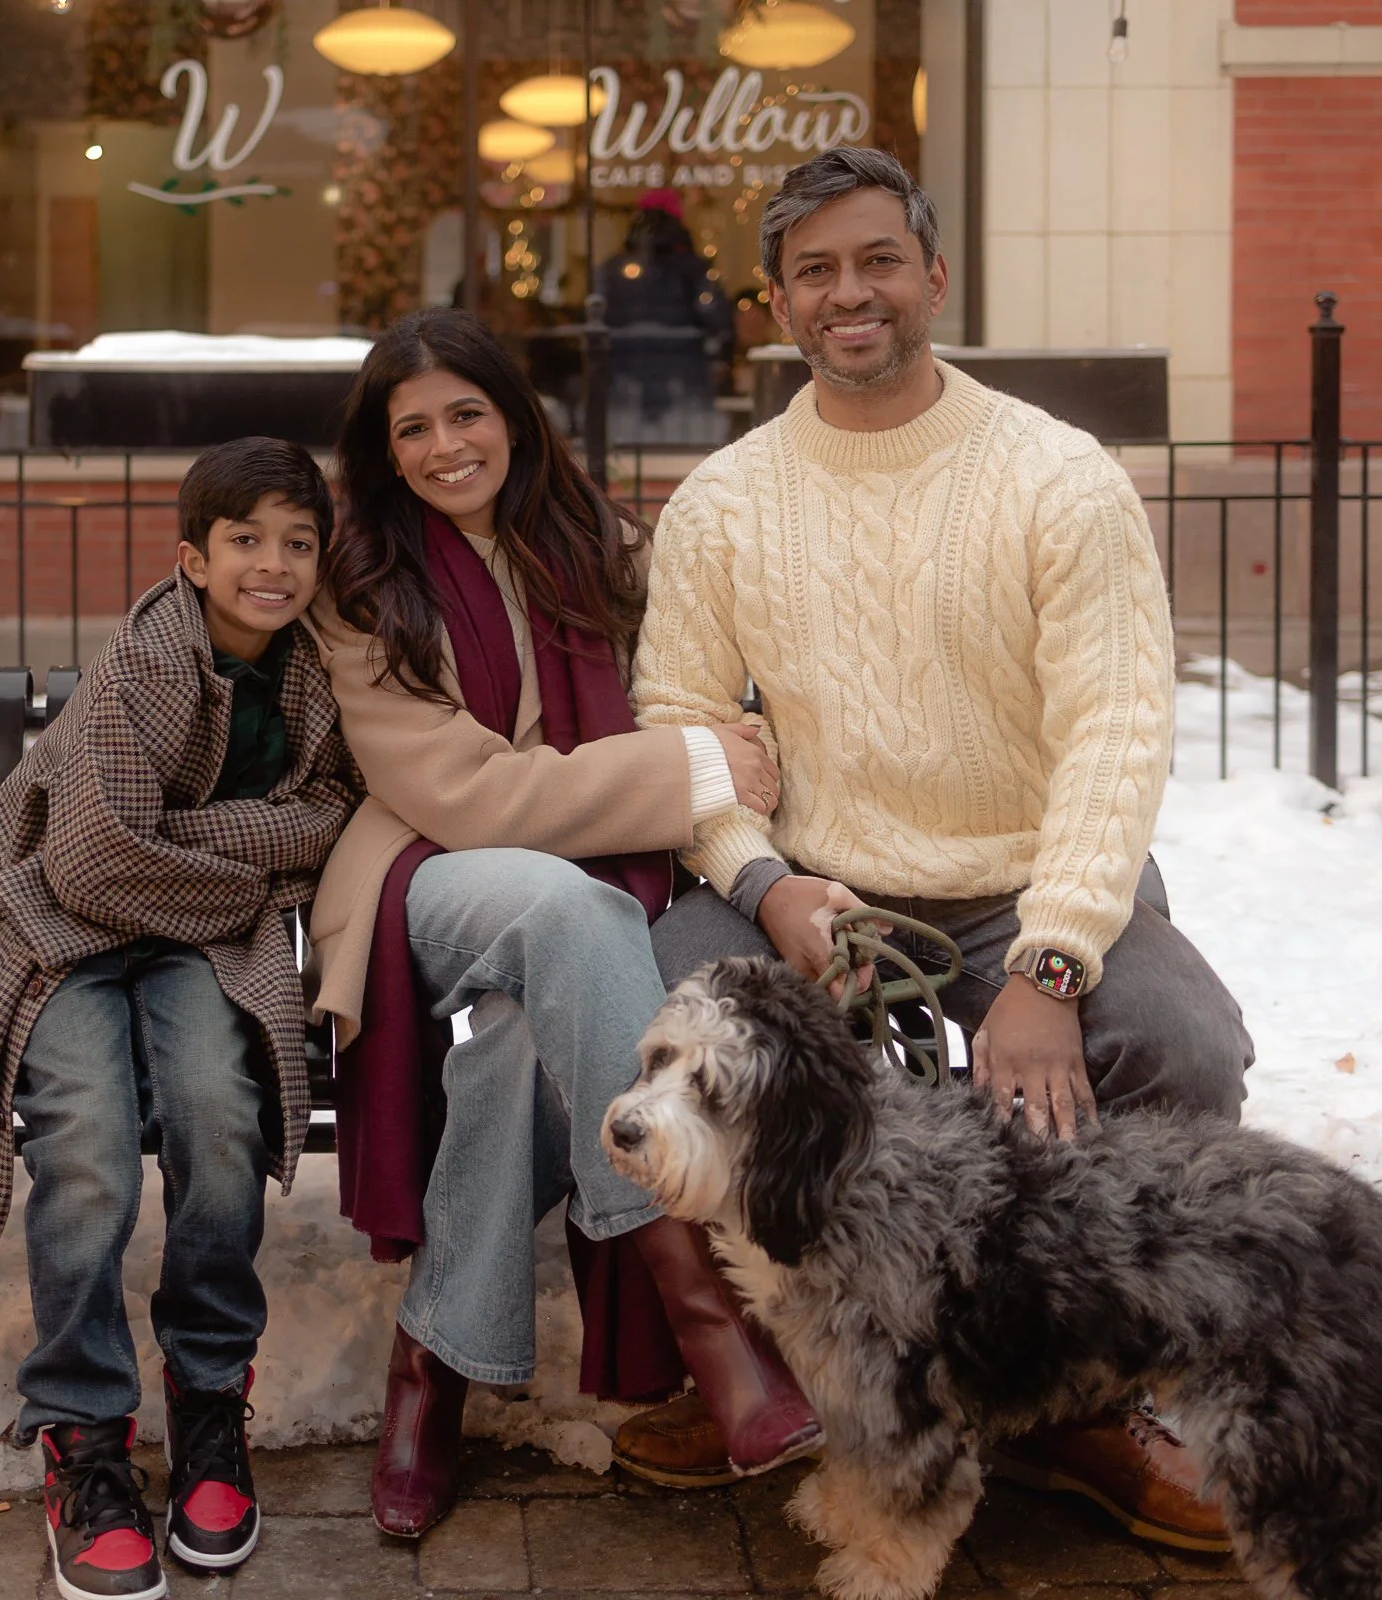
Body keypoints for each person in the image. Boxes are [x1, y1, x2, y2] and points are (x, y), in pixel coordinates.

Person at [633, 147, 1258, 1553]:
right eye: (815, 272)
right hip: (816, 893)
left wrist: (1051, 959)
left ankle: (1090, 1397)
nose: (848, 295)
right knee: (661, 1010)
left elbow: (1116, 733)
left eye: (876, 262)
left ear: (932, 277)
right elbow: (679, 731)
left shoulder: (1056, 477)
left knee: (1179, 1045)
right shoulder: (723, 504)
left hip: (1020, 887)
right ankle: (778, 1374)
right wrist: (767, 884)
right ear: (777, 302)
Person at [305, 307, 819, 1540]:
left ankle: (429, 1370)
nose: (443, 447)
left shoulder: (595, 546)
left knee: (529, 1036)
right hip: (425, 877)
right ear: (385, 451)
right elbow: (469, 795)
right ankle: (704, 1313)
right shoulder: (360, 584)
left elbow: (702, 667)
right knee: (563, 901)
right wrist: (692, 771)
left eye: (465, 414)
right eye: (412, 428)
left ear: (514, 415)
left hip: (582, 892)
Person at [0, 439, 360, 1600]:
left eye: (297, 542)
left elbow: (333, 813)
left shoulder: (321, 676)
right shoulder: (141, 667)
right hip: (59, 936)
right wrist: (245, 858)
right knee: (83, 1146)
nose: (272, 566)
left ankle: (211, 1396)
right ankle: (82, 1431)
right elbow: (87, 861)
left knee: (220, 1113)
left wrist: (190, 850)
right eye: (245, 542)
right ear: (193, 558)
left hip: (201, 939)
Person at [591, 189, 733, 443]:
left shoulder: (615, 267)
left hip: (625, 375)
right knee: (680, 444)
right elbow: (714, 315)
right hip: (681, 376)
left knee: (625, 442)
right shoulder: (692, 267)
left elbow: (596, 315)